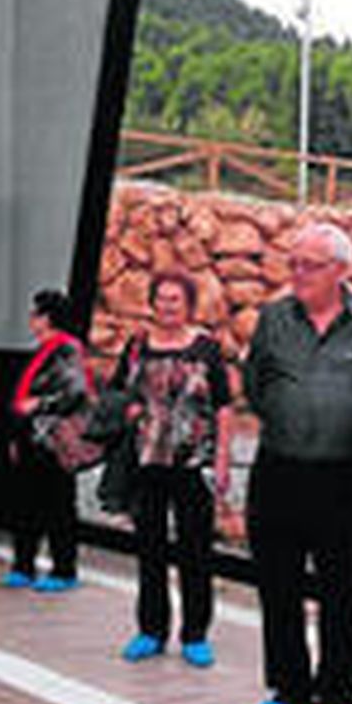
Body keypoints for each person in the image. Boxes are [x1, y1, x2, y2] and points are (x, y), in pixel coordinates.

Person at [242, 221, 352, 704]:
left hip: (345, 476)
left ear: (341, 269)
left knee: (344, 592)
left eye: (309, 265)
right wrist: (295, 418)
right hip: (279, 470)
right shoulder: (274, 318)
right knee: (278, 587)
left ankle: (337, 697)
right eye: (292, 263)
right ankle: (288, 692)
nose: (297, 274)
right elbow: (254, 385)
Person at [113, 271, 234, 667]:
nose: (167, 306)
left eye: (175, 299)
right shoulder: (137, 345)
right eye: (161, 299)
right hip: (146, 462)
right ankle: (151, 630)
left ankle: (195, 634)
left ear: (189, 305)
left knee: (195, 553)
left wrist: (222, 459)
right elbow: (118, 393)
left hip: (192, 463)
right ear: (152, 303)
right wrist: (130, 410)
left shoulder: (206, 349)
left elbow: (224, 407)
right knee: (149, 550)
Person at [6, 288, 94, 593]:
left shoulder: (67, 349)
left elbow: (75, 392)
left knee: (58, 506)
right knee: (26, 504)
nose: (31, 319)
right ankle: (23, 564)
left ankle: (64, 569)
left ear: (48, 317)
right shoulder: (43, 349)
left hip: (53, 440)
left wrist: (39, 404)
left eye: (35, 314)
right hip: (33, 437)